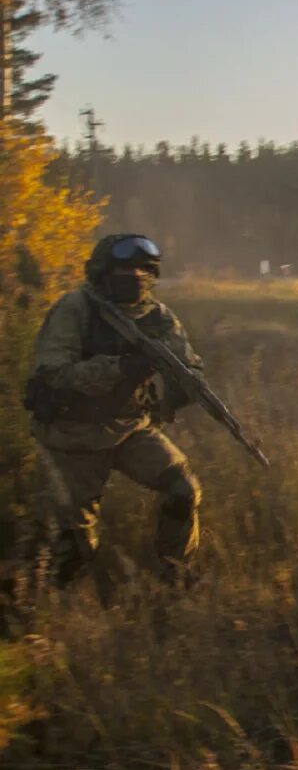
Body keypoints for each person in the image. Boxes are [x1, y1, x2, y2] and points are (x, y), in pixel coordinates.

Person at [24, 233, 205, 589]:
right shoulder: (76, 309)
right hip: (74, 435)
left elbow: (188, 363)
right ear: (103, 271)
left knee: (183, 490)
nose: (134, 275)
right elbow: (54, 374)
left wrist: (185, 387)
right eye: (124, 267)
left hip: (130, 428)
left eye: (142, 268)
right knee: (75, 548)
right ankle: (46, 611)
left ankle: (175, 573)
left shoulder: (157, 315)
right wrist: (123, 368)